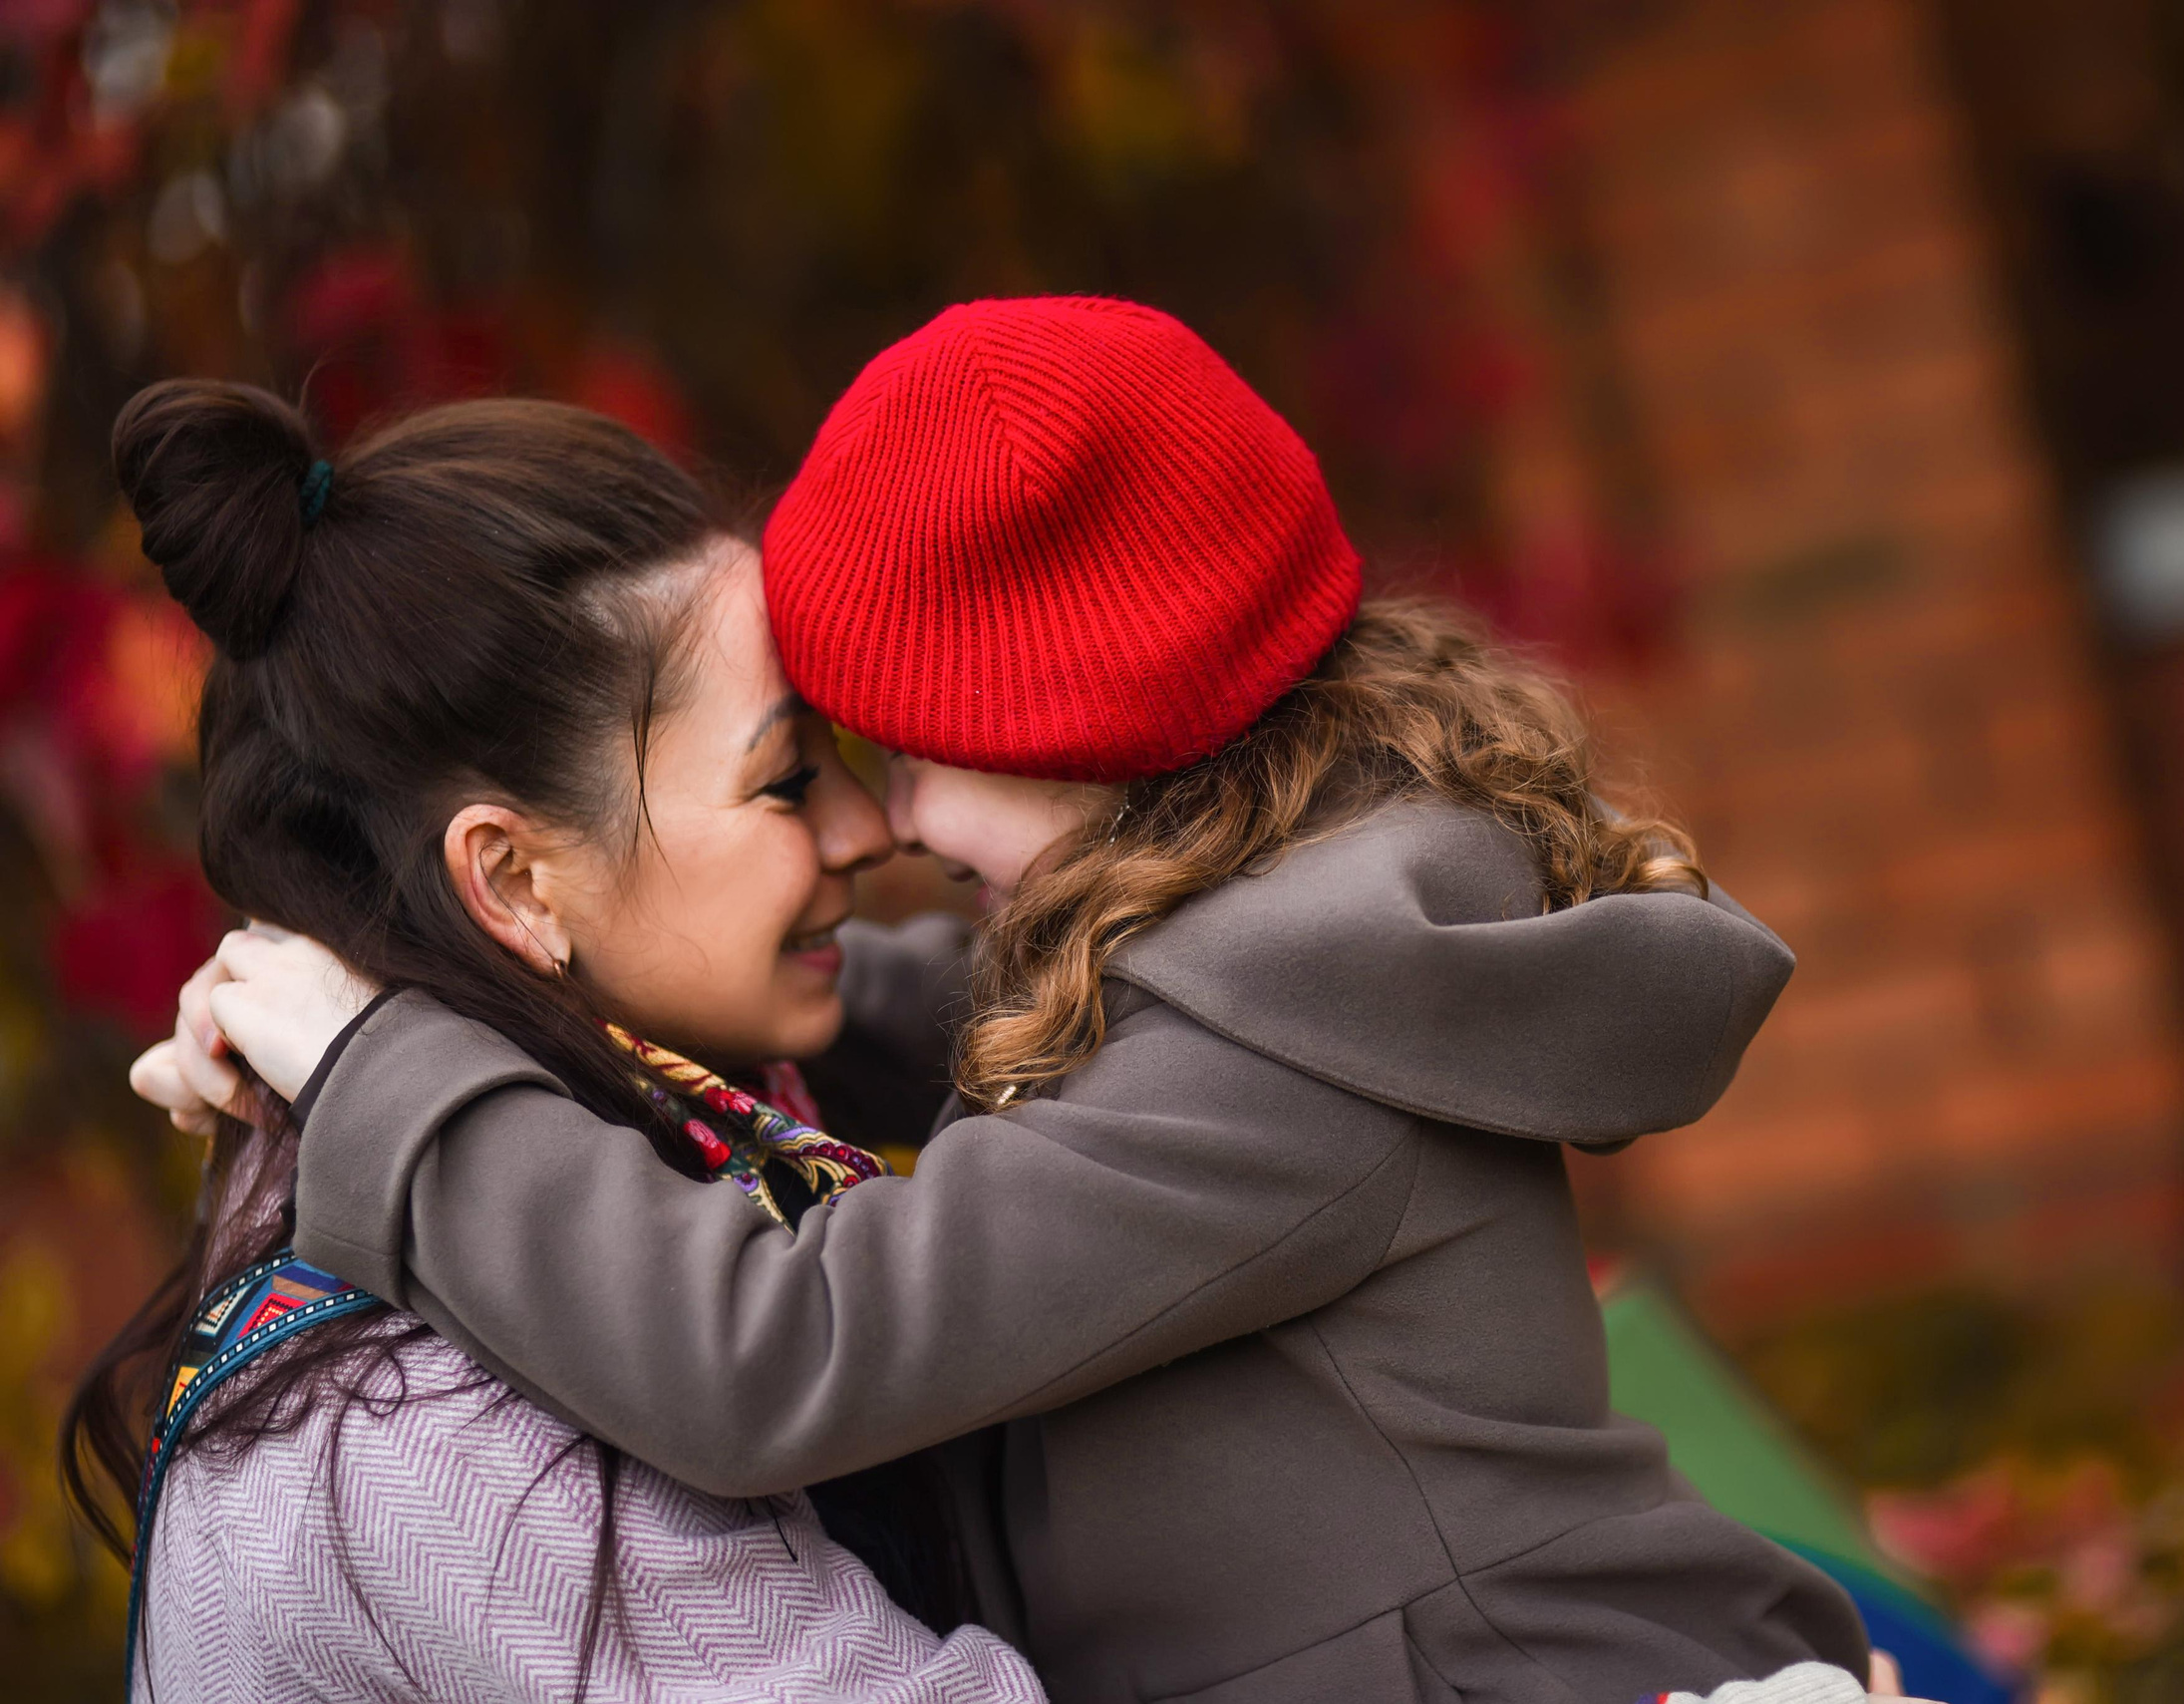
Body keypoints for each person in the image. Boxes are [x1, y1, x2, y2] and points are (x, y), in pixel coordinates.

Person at [144, 299, 1901, 1702]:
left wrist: (389, 1069)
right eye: (803, 771)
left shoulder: (1269, 1072)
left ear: (1084, 741)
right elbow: (972, 1006)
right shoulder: (1303, 943)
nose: (882, 819)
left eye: (906, 749)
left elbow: (778, 1347)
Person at [75, 380, 1045, 1703]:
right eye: (789, 780)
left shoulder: (674, 1111)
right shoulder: (440, 1433)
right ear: (519, 883)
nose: (868, 833)